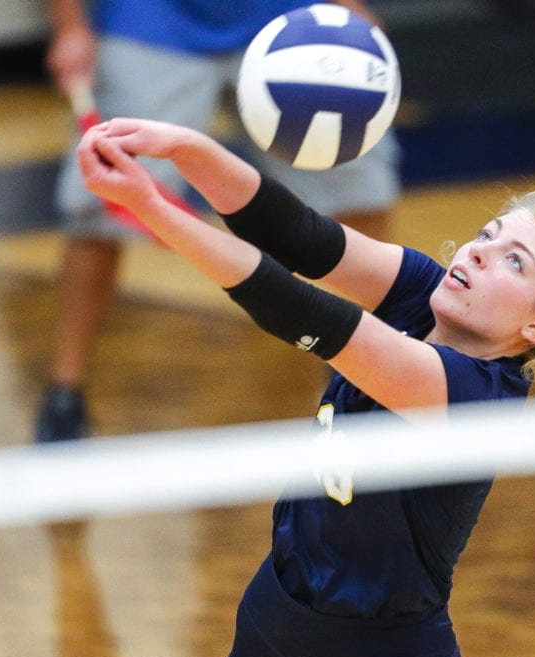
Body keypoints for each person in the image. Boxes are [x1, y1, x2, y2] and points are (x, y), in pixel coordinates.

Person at [76, 117, 535, 657]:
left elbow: (299, 309)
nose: (479, 252)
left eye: (514, 261)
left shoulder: (471, 395)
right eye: (488, 234)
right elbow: (299, 234)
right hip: (273, 623)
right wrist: (184, 147)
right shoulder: (423, 295)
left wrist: (155, 209)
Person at [36, 0, 400, 442]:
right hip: (149, 20)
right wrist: (70, 25)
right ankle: (63, 394)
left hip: (289, 15)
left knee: (359, 189)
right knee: (97, 209)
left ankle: (359, 386)